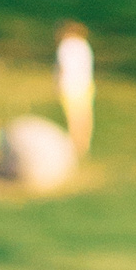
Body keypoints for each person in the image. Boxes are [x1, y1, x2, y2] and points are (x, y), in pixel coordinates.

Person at [54, 23, 93, 164]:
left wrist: (58, 84)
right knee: (84, 117)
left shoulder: (66, 46)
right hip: (85, 85)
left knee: (72, 118)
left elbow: (63, 67)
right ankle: (83, 145)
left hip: (69, 86)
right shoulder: (84, 45)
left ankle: (75, 147)